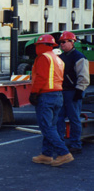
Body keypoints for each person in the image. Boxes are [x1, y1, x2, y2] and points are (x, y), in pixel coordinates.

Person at [29, 34, 73, 167]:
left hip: (46, 95)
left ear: (40, 46)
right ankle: (46, 154)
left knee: (46, 127)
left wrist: (34, 93)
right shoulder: (57, 59)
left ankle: (63, 153)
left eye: (37, 45)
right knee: (51, 126)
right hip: (57, 95)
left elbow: (41, 78)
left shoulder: (43, 57)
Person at [57, 31, 90, 154]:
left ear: (72, 42)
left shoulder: (79, 57)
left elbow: (84, 77)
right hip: (63, 91)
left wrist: (79, 90)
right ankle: (61, 142)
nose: (62, 44)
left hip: (72, 91)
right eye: (61, 42)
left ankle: (76, 144)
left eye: (64, 42)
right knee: (59, 118)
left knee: (74, 118)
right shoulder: (62, 57)